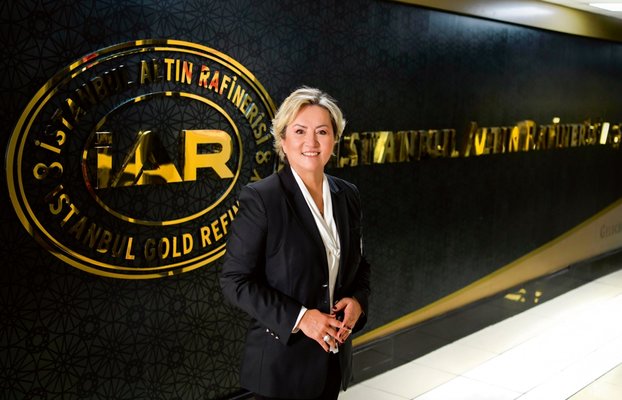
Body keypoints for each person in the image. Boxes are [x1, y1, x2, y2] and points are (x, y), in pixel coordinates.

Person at [220, 86, 371, 400]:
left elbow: (360, 266)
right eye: (300, 131)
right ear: (283, 139)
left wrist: (358, 302)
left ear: (334, 139)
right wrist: (301, 318)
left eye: (322, 131)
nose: (311, 142)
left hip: (332, 362)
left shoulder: (348, 195)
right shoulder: (263, 198)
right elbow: (235, 281)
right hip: (281, 369)